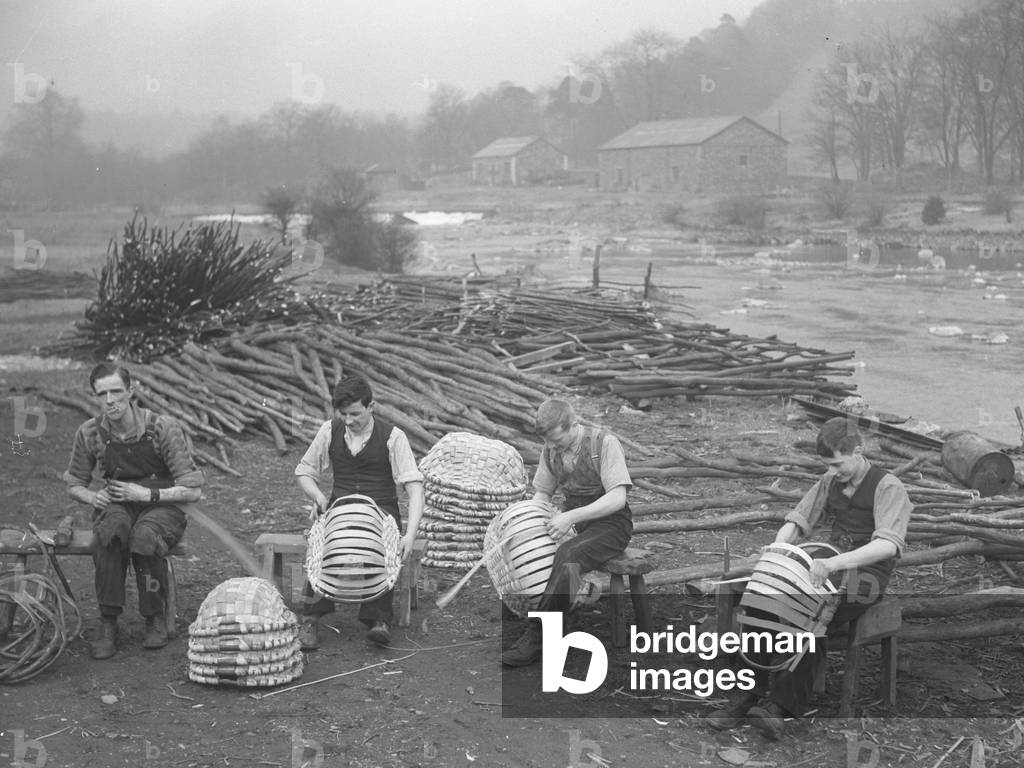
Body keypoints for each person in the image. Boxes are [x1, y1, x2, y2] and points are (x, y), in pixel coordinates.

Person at [706, 416, 912, 739]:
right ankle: (747, 693)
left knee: (810, 612)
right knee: (764, 600)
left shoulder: (888, 487)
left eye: (837, 464)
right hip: (826, 563)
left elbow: (886, 545)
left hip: (866, 575)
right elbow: (798, 520)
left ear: (858, 452)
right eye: (827, 465)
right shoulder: (830, 481)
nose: (832, 471)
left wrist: (836, 564)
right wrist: (777, 548)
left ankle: (782, 709)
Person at [64, 363, 204, 660]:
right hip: (119, 503)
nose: (110, 400)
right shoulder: (90, 433)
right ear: (95, 397)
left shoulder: (161, 429)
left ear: (131, 391)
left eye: (116, 391)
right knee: (107, 535)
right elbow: (74, 482)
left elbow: (193, 490)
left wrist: (147, 493)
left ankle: (154, 615)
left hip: (163, 505)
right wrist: (93, 497)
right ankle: (108, 621)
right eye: (102, 394)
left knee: (144, 538)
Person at [295, 374, 424, 649]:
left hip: (382, 511)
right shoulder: (330, 431)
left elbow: (415, 489)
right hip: (340, 507)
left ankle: (378, 621)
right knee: (323, 545)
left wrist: (409, 536)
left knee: (380, 546)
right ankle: (311, 618)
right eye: (343, 414)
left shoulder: (392, 437)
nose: (349, 420)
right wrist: (318, 497)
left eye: (355, 414)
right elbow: (305, 472)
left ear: (371, 406)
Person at [501, 398, 633, 667]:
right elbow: (542, 493)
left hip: (612, 526)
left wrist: (570, 517)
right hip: (575, 524)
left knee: (569, 553)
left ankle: (541, 636)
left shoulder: (603, 444)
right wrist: (530, 524)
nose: (552, 446)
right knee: (530, 547)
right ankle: (549, 611)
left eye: (556, 440)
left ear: (574, 424)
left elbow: (617, 498)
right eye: (548, 441)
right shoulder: (551, 451)